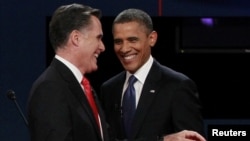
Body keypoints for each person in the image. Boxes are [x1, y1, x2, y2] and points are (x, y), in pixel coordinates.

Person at [100, 8, 206, 141]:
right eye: (118, 41)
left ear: (152, 38)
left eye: (132, 40)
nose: (124, 49)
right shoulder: (109, 89)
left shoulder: (177, 86)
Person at [27, 3, 109, 141]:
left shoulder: (83, 87)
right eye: (98, 38)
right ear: (76, 38)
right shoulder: (50, 88)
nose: (102, 47)